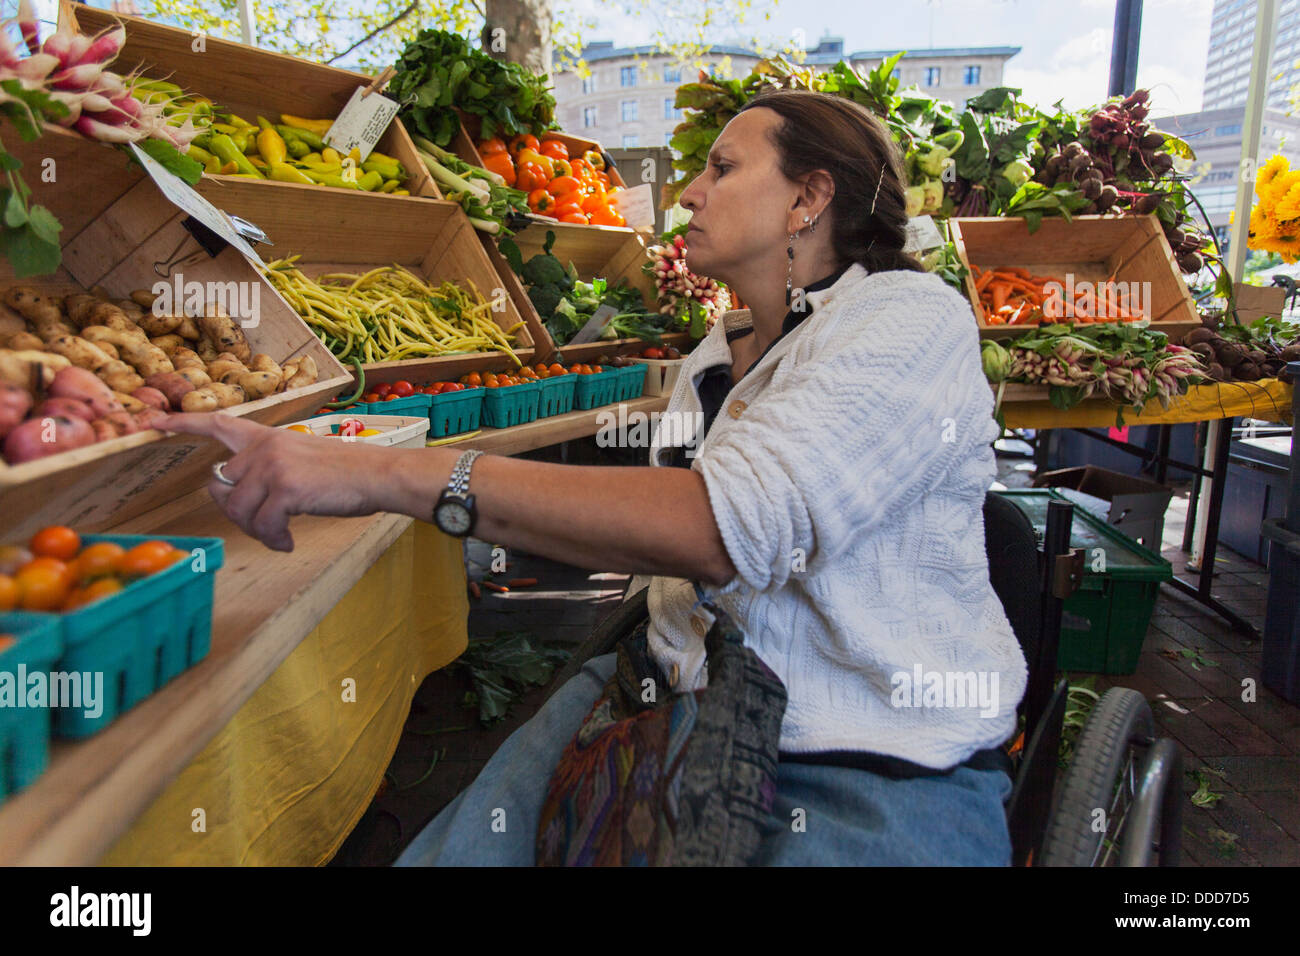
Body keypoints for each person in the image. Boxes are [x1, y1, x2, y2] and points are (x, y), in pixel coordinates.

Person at [163, 90, 1027, 866]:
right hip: (673, 694)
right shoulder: (709, 359)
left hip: (857, 756)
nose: (689, 190)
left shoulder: (908, 319)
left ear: (808, 198)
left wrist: (395, 474)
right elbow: (653, 529)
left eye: (722, 168)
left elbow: (722, 527)